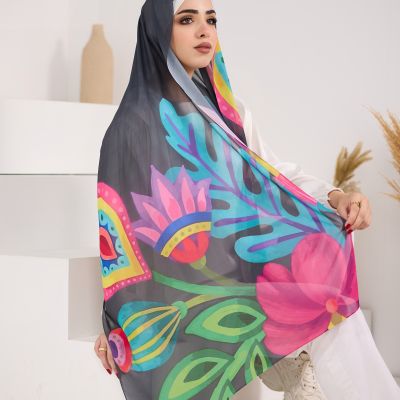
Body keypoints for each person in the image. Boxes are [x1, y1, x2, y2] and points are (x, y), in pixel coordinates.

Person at [94, 0, 399, 399]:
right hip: (183, 296)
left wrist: (335, 197)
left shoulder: (228, 112)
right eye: (186, 20)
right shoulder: (132, 128)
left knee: (327, 254)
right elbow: (115, 234)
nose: (204, 30)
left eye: (211, 19)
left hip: (238, 277)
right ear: (157, 31)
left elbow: (272, 175)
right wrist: (110, 322)